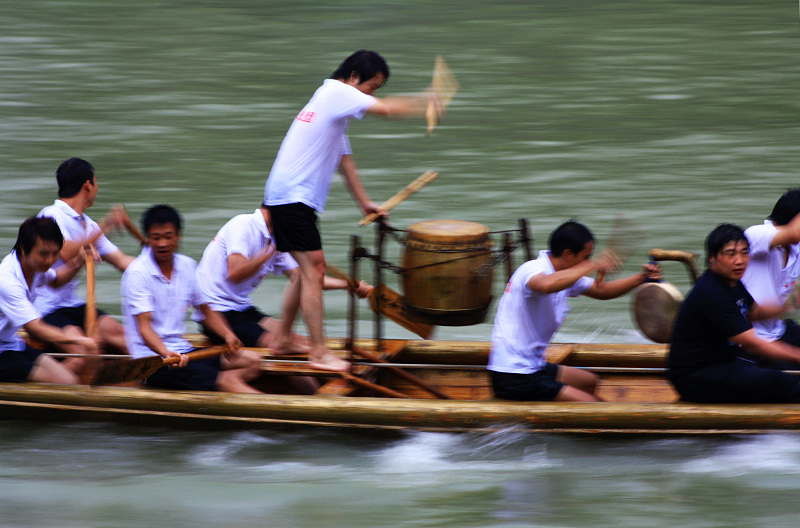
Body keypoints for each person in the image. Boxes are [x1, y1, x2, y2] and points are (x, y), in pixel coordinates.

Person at [263, 50, 439, 371]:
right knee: (314, 272)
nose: (371, 96)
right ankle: (319, 353)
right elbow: (387, 110)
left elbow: (345, 161)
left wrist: (364, 203)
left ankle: (283, 338)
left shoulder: (328, 101)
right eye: (372, 87)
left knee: (305, 273)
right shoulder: (337, 91)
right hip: (292, 198)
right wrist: (426, 99)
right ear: (354, 75)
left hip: (285, 197)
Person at [488, 220, 662, 402]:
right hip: (512, 374)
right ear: (568, 254)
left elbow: (602, 290)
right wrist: (591, 265)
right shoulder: (532, 269)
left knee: (589, 382)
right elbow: (545, 285)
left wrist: (643, 278)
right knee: (594, 406)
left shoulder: (566, 275)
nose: (588, 261)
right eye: (586, 256)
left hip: (533, 366)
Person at [120, 205, 262, 393]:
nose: (162, 243)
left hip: (182, 351)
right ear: (147, 238)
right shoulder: (138, 273)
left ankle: (222, 383)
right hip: (154, 361)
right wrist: (165, 353)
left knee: (253, 360)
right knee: (226, 381)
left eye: (168, 237)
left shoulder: (187, 265)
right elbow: (144, 328)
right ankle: (231, 387)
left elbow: (205, 310)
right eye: (156, 238)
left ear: (179, 236)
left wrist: (228, 335)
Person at [193, 204, 372, 353]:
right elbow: (236, 273)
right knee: (276, 345)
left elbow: (306, 279)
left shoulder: (277, 236)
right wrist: (270, 251)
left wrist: (348, 286)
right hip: (215, 312)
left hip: (241, 307)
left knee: (300, 342)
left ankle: (316, 389)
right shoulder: (243, 225)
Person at [668, 223, 800, 403]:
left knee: (776, 374)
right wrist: (796, 355)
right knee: (776, 380)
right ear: (712, 259)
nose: (740, 260)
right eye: (731, 254)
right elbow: (752, 343)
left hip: (723, 362)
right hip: (695, 376)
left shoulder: (732, 283)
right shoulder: (712, 292)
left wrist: (791, 303)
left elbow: (755, 312)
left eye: (745, 253)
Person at [36, 158, 134, 354]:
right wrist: (109, 222)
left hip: (73, 304)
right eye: (96, 182)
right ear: (88, 185)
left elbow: (123, 261)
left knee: (122, 334)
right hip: (44, 310)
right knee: (85, 348)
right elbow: (66, 250)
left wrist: (162, 267)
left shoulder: (89, 226)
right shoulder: (50, 215)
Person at [0, 216, 99, 383]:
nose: (50, 260)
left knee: (69, 377)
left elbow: (56, 280)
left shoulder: (33, 266)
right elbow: (35, 329)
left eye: (55, 254)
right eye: (44, 254)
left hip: (11, 343)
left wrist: (79, 260)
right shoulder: (7, 280)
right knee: (67, 382)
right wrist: (79, 339)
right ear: (24, 248)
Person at [741, 188, 800, 354]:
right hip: (750, 338)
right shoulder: (756, 234)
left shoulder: (796, 247)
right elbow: (793, 234)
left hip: (777, 330)